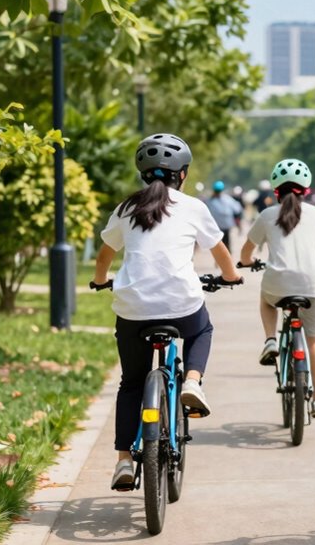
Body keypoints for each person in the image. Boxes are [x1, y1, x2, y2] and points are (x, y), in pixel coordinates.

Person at [92, 133, 243, 491]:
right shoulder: (193, 207)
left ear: (142, 174)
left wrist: (101, 281)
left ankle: (124, 461)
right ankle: (192, 381)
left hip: (132, 308)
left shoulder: (126, 208)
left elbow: (105, 255)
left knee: (131, 383)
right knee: (201, 329)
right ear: (183, 174)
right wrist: (231, 276)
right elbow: (220, 251)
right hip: (181, 305)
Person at [239, 158, 315, 419]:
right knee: (314, 340)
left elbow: (245, 254)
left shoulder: (266, 215)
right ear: (306, 190)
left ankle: (270, 339)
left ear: (276, 190)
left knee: (266, 299)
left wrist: (247, 263)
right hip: (314, 284)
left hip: (278, 283)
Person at [206, 180, 243, 250]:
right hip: (226, 225)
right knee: (226, 242)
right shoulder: (227, 199)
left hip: (216, 225)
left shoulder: (210, 201)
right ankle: (227, 256)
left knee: (218, 243)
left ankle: (220, 258)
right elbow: (237, 209)